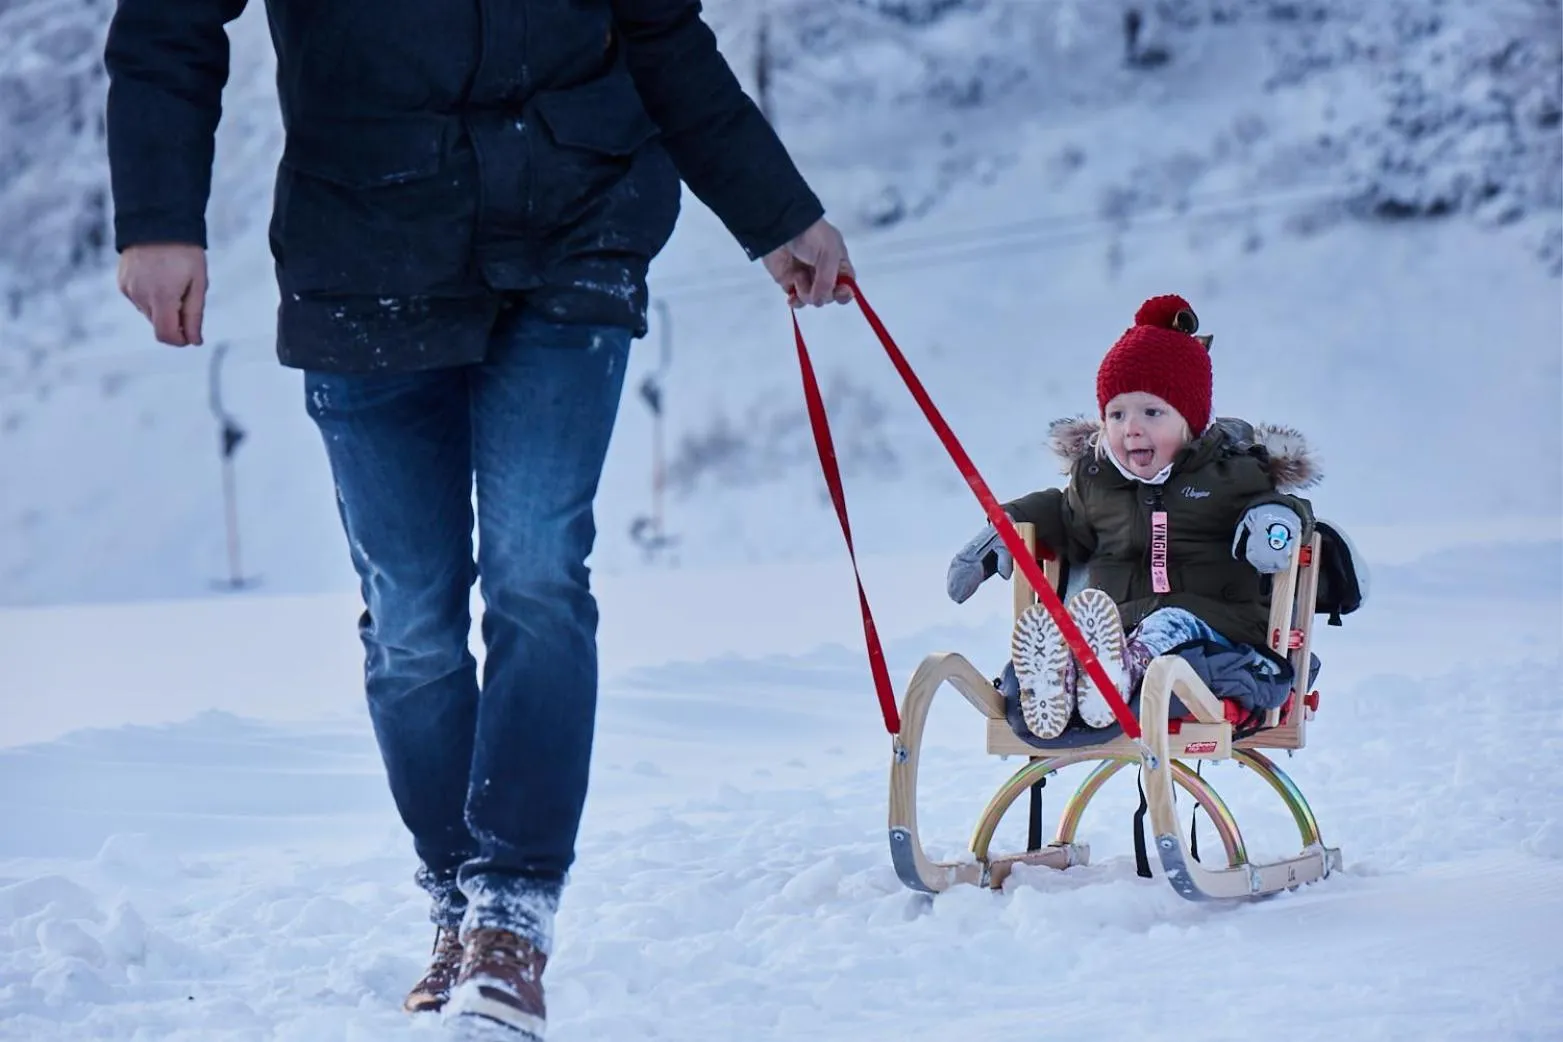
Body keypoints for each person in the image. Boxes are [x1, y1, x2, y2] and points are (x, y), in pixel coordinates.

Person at [103, 2, 853, 1036]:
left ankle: (512, 912)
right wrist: (156, 214)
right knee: (412, 622)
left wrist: (777, 212)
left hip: (573, 226)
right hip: (362, 245)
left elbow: (660, 31)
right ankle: (455, 889)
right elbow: (167, 22)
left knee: (539, 568)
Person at [945, 294, 1319, 739]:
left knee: (1166, 625)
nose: (1131, 428)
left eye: (1152, 412)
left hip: (1217, 631)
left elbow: (1288, 510)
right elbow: (1066, 516)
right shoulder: (1097, 481)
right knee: (1084, 632)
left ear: (1192, 420)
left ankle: (1116, 674)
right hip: (1118, 624)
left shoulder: (1233, 475)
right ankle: (1061, 678)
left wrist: (1274, 520)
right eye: (1116, 414)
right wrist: (1008, 524)